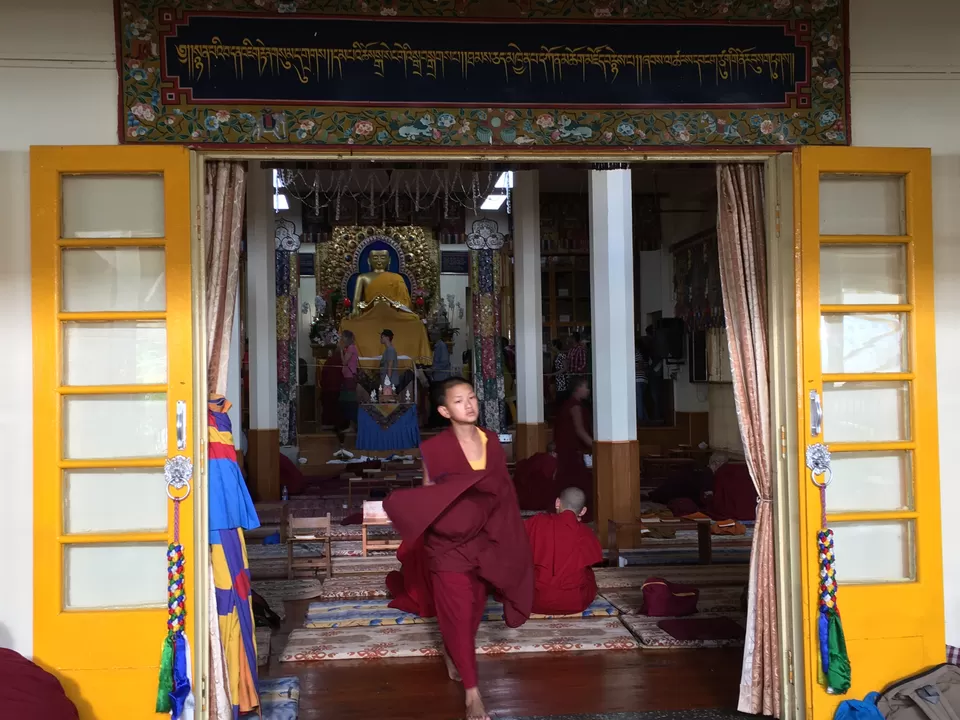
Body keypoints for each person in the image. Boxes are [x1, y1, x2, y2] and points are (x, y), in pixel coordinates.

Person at [384, 377, 534, 720]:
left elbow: (504, 493)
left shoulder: (492, 442)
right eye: (458, 401)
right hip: (447, 545)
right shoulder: (435, 449)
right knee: (458, 612)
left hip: (485, 541)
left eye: (471, 398)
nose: (469, 405)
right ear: (443, 410)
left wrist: (510, 537)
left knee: (476, 608)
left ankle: (454, 650)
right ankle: (472, 693)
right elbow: (427, 497)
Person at [524, 487, 603, 615]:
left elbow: (514, 546)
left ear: (557, 503)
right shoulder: (586, 532)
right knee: (588, 574)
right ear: (583, 511)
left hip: (536, 601)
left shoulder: (537, 522)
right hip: (574, 602)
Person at [553, 376, 594, 521]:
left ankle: (562, 510)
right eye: (586, 387)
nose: (588, 390)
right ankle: (577, 512)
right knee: (579, 483)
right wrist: (596, 447)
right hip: (571, 452)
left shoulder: (571, 405)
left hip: (567, 451)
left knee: (566, 482)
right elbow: (580, 430)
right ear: (578, 388)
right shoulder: (575, 406)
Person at [512, 442, 558, 512]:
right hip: (538, 503)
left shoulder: (535, 459)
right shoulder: (550, 461)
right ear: (553, 453)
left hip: (520, 501)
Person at [336, 330, 359, 446]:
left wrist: (340, 350)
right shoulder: (350, 348)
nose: (341, 340)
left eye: (343, 338)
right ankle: (351, 425)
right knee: (346, 401)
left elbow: (345, 362)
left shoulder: (351, 348)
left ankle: (353, 425)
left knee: (349, 401)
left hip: (350, 378)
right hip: (347, 377)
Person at [428, 331, 452, 426]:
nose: (430, 336)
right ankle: (436, 421)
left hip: (441, 377)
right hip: (436, 376)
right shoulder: (437, 346)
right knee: (435, 399)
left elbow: (444, 362)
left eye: (431, 334)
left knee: (438, 399)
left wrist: (433, 368)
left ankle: (440, 422)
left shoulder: (441, 346)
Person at [635, 337, 648, 424]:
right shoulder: (639, 352)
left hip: (638, 379)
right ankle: (645, 419)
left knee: (638, 400)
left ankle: (640, 419)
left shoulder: (635, 352)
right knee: (639, 400)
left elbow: (640, 366)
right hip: (642, 379)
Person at [552, 338, 569, 407]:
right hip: (558, 379)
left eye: (552, 345)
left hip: (562, 380)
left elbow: (565, 368)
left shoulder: (562, 355)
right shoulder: (556, 356)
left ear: (555, 346)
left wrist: (554, 374)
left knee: (561, 398)